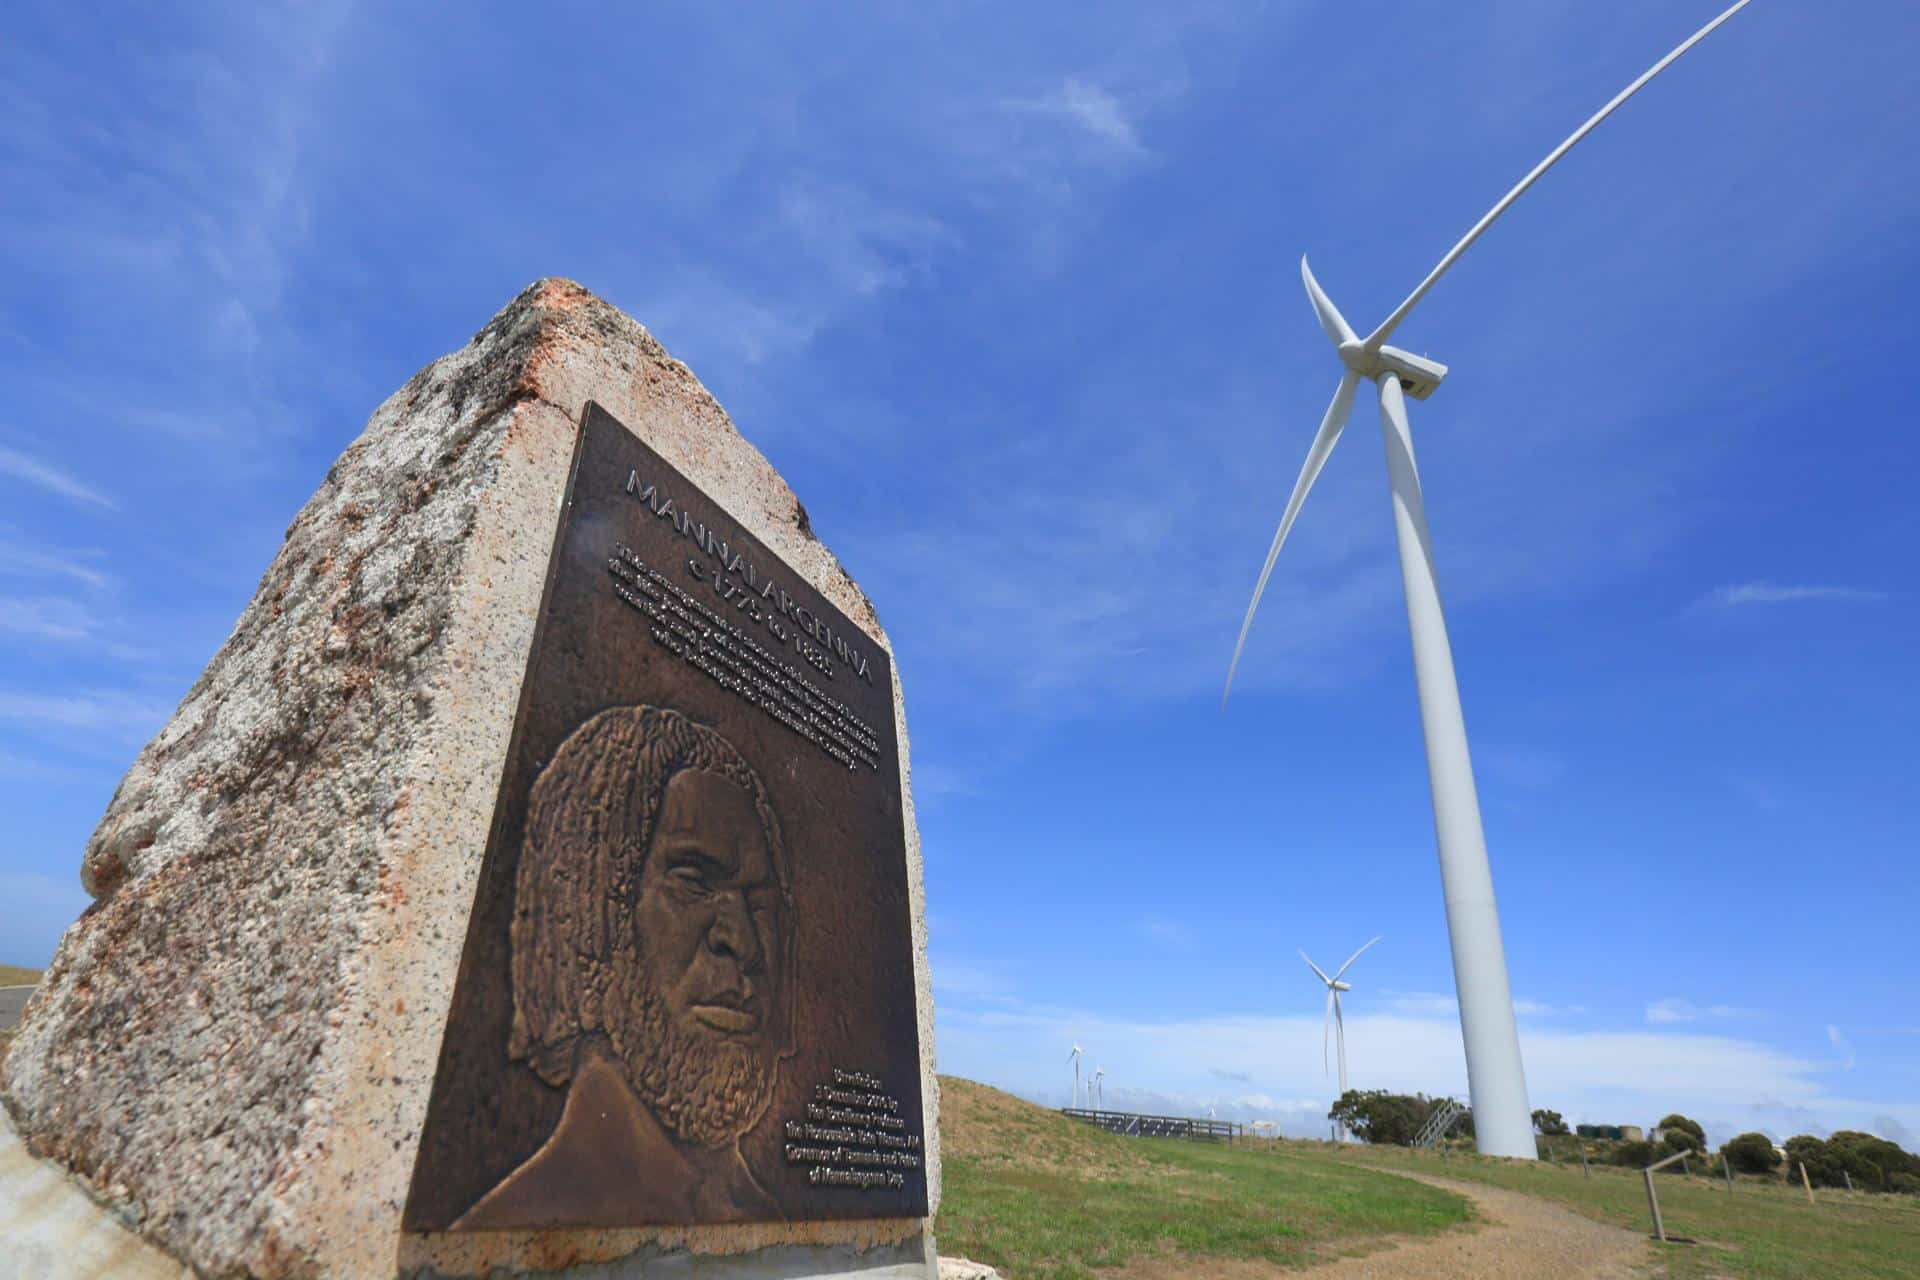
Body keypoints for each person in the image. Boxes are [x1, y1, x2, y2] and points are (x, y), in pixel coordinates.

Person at [456, 705, 796, 1228]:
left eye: (759, 903)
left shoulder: (773, 1217)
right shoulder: (514, 1227)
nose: (744, 942)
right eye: (692, 880)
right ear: (592, 908)